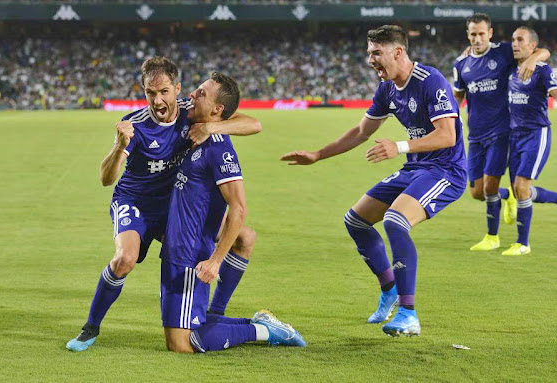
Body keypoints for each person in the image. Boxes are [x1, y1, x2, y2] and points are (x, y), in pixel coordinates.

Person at [281, 25, 467, 337]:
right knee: (355, 220)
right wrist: (317, 155)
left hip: (446, 170)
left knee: (395, 220)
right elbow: (361, 131)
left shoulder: (430, 81)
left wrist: (399, 146)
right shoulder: (387, 89)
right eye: (369, 53)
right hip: (416, 168)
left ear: (398, 52)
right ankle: (389, 291)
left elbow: (447, 136)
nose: (370, 60)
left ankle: (409, 314)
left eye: (376, 53)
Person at [66, 57, 261, 352]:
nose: (157, 100)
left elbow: (253, 123)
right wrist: (119, 146)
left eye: (164, 92)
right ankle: (90, 327)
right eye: (150, 93)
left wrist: (211, 128)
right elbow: (107, 179)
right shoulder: (136, 125)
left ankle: (215, 314)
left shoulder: (190, 113)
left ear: (177, 89)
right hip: (136, 203)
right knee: (125, 260)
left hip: (174, 208)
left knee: (244, 237)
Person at [160, 72, 306, 352]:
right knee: (188, 332)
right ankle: (237, 320)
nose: (192, 95)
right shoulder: (193, 127)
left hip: (191, 251)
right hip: (177, 245)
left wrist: (215, 261)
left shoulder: (218, 148)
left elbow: (239, 208)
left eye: (201, 93)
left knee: (183, 344)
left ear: (217, 110)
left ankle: (263, 331)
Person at [453, 13, 551, 251]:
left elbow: (542, 51)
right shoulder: (461, 64)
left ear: (490, 33)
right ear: (468, 35)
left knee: (489, 187)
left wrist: (532, 59)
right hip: (475, 134)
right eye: (473, 34)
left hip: (501, 132)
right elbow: (458, 95)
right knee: (476, 191)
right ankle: (507, 197)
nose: (477, 39)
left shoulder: (504, 51)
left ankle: (492, 237)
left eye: (481, 34)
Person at [502, 26, 557, 256]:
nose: (514, 44)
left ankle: (523, 244)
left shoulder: (542, 70)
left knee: (522, 187)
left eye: (520, 40)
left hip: (536, 133)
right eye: (513, 39)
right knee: (519, 190)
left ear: (532, 46)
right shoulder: (510, 68)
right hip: (514, 135)